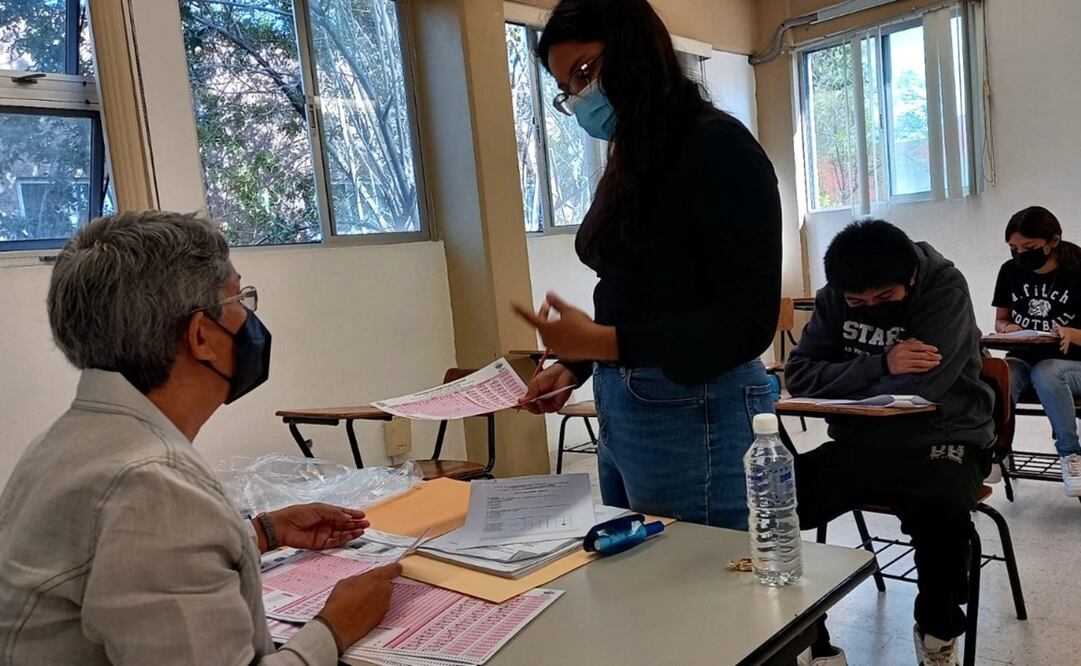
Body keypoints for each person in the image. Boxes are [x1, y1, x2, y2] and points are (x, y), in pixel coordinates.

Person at [0, 211, 400, 664]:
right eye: (240, 298)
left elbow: (131, 570)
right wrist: (335, 628)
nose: (250, 316)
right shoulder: (149, 483)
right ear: (201, 336)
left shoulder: (74, 442)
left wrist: (264, 533)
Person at [513, 0, 782, 530]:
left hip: (696, 408)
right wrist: (577, 365)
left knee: (703, 592)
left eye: (586, 71)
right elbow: (634, 291)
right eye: (569, 88)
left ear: (637, 47)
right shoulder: (636, 155)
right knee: (647, 582)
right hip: (628, 404)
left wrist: (601, 344)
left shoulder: (717, 147)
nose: (582, 95)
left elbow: (747, 323)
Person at [786, 220, 994, 666]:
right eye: (857, 302)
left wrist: (841, 380)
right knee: (774, 503)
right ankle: (809, 640)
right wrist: (882, 364)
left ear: (910, 279)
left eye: (885, 298)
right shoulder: (831, 299)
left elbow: (924, 385)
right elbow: (799, 376)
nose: (870, 308)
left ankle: (937, 635)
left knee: (942, 513)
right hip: (861, 441)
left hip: (945, 437)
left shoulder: (945, 290)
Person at [991, 205, 1081, 496]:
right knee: (1001, 373)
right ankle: (994, 450)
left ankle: (1071, 457)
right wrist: (1007, 329)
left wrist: (1073, 333)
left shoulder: (1077, 269)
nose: (1019, 254)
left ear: (1053, 241)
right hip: (1025, 356)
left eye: (1028, 247)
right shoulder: (1010, 271)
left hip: (1072, 366)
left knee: (1047, 371)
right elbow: (1002, 319)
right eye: (1013, 248)